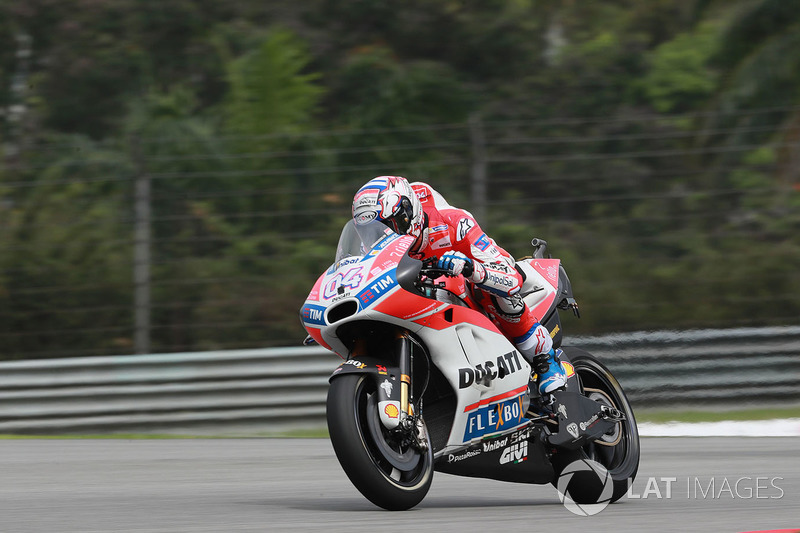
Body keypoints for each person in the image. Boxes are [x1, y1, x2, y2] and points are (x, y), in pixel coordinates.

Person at [351, 175, 566, 396]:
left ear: (407, 213)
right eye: (369, 231)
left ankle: (545, 360)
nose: (381, 235)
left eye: (389, 226)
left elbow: (511, 277)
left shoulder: (453, 222)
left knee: (493, 290)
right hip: (419, 294)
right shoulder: (370, 245)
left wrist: (470, 268)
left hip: (466, 281)